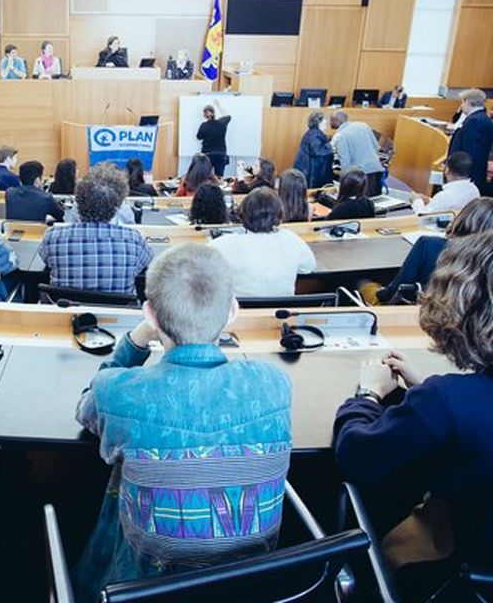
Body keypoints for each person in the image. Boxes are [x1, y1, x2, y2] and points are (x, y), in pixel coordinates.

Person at [74, 243, 292, 601]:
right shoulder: (276, 383)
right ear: (233, 311)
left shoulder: (118, 391)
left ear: (150, 314)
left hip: (141, 587)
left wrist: (137, 339)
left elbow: (86, 408)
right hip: (248, 587)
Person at [333, 231, 493, 600]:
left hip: (445, 575)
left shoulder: (446, 401)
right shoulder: (446, 400)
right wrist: (427, 391)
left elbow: (355, 457)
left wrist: (367, 395)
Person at [38, 162, 152, 295]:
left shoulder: (52, 237)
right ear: (117, 205)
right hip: (119, 313)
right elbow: (145, 264)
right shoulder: (134, 240)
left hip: (64, 311)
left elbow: (46, 260)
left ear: (79, 201)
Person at [375, 197, 493, 304]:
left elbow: (397, 289)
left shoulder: (428, 245)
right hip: (467, 322)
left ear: (463, 219)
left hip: (420, 314)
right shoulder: (487, 260)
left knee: (364, 283)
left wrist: (380, 294)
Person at [210, 187, 316, 298]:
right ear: (279, 214)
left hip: (242, 312)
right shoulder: (291, 239)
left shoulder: (224, 244)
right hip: (282, 311)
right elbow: (309, 267)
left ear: (243, 214)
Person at [447, 88, 493, 192]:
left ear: (467, 101)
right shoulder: (484, 118)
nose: (462, 105)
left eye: (462, 102)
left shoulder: (474, 121)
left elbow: (469, 152)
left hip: (466, 175)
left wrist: (461, 174)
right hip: (477, 171)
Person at [330, 111, 384, 196]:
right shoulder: (364, 125)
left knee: (362, 204)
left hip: (359, 176)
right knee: (376, 202)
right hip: (376, 169)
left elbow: (345, 163)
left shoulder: (340, 136)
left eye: (331, 120)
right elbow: (376, 147)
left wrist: (342, 183)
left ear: (336, 121)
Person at [410, 151, 479, 215]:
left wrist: (417, 200)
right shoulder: (474, 190)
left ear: (447, 170)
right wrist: (429, 200)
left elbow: (422, 217)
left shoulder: (445, 196)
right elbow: (445, 205)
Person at [293, 110, 334, 189]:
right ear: (319, 121)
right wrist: (331, 146)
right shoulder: (315, 134)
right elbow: (317, 151)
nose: (326, 121)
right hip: (311, 172)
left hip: (308, 170)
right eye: (324, 119)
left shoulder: (313, 133)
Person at [196, 102, 231, 177]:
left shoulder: (204, 125)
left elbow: (198, 137)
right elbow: (228, 115)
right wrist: (219, 105)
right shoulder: (222, 123)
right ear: (214, 113)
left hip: (208, 155)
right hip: (221, 154)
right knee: (219, 177)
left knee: (206, 177)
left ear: (204, 115)